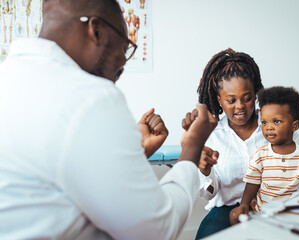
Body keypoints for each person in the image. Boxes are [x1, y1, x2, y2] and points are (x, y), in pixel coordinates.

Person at [0, 0, 217, 239]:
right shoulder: (89, 96)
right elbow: (154, 231)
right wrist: (192, 148)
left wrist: (135, 153)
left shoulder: (9, 79)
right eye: (125, 48)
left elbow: (51, 187)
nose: (123, 64)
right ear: (96, 30)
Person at [195, 49, 299, 239]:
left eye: (246, 98)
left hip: (272, 207)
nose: (240, 106)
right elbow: (208, 195)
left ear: (256, 94)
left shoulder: (275, 127)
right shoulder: (212, 136)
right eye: (231, 100)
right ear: (219, 99)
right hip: (225, 211)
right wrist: (205, 171)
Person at [229, 86, 299, 225]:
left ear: (295, 125)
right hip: (262, 210)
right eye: (264, 122)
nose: (268, 127)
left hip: (292, 211)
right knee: (234, 216)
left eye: (276, 121)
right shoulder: (261, 154)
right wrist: (244, 204)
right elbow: (252, 182)